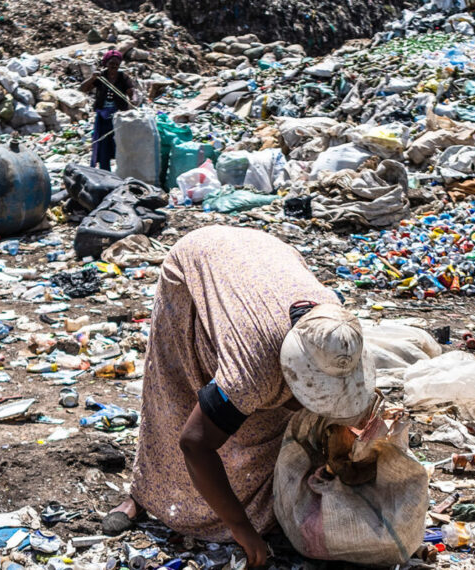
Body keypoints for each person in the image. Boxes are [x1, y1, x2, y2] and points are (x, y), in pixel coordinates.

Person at [102, 226, 375, 567]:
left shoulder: (336, 329)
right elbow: (194, 443)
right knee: (175, 397)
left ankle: (259, 504)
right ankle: (143, 495)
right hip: (198, 263)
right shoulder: (255, 368)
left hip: (264, 259)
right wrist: (241, 527)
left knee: (265, 414)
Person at [81, 49, 135, 172]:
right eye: (111, 64)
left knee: (120, 144)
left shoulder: (123, 77)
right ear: (106, 63)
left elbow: (131, 92)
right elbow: (82, 89)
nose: (114, 66)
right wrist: (92, 78)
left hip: (119, 116)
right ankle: (105, 171)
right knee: (103, 145)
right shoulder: (101, 77)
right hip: (103, 116)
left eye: (116, 64)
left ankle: (122, 170)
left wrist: (133, 98)